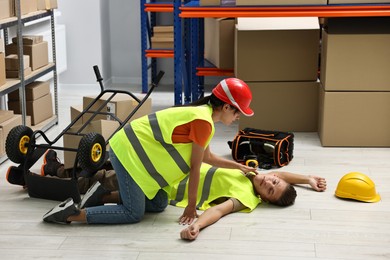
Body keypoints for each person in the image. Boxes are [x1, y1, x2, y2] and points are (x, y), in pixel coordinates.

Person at [43, 78, 258, 225]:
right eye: (239, 112)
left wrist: (238, 166)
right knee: (133, 213)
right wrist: (191, 206)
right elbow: (195, 167)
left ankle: (102, 195)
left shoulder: (205, 117)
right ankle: (72, 215)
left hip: (133, 155)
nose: (238, 117)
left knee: (159, 202)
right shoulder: (203, 121)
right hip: (128, 153)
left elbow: (208, 158)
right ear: (228, 107)